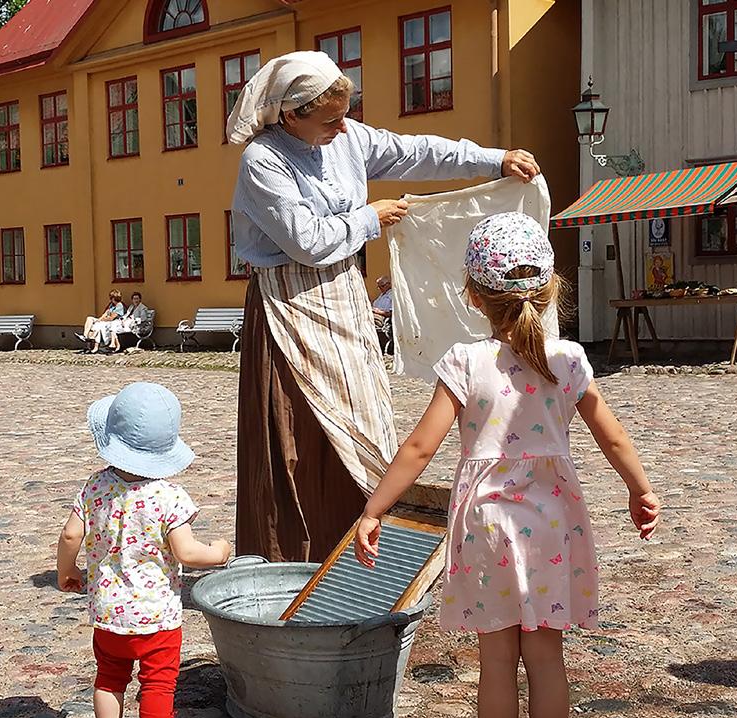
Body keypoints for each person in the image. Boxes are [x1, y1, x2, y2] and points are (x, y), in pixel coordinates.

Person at [353, 213, 660, 718]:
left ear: (472, 294)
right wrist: (640, 489)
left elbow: (419, 447)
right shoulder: (570, 360)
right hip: (554, 524)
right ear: (551, 289)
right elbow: (612, 435)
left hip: (488, 526)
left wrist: (374, 508)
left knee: (497, 661)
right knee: (547, 658)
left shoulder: (465, 363)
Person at [228, 51, 541, 564]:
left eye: (344, 115)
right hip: (288, 301)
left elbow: (416, 152)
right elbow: (306, 240)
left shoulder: (347, 138)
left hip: (345, 294)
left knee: (364, 416)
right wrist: (370, 218)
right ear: (290, 115)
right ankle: (295, 552)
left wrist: (494, 159)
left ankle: (365, 536)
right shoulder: (263, 161)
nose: (341, 127)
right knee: (301, 427)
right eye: (328, 120)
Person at [56, 382, 231, 718]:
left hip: (107, 614)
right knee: (158, 682)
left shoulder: (95, 486)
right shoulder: (168, 496)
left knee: (109, 677)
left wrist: (67, 572)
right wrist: (219, 552)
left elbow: (69, 536)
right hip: (156, 618)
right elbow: (187, 552)